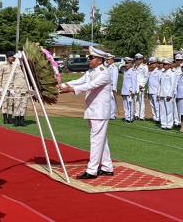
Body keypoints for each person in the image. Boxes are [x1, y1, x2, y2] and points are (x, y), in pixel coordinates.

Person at [59, 46, 114, 179]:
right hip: (93, 110)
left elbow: (90, 86)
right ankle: (107, 167)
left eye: (91, 58)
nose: (88, 60)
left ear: (100, 60)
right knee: (101, 139)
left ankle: (92, 170)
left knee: (96, 140)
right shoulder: (91, 71)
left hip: (100, 111)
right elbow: (80, 81)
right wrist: (63, 84)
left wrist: (71, 89)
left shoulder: (103, 73)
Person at [0, 51, 27, 126]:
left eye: (12, 57)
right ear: (7, 58)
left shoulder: (15, 65)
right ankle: (5, 118)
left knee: (11, 103)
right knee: (4, 103)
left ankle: (10, 118)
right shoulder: (3, 66)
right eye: (10, 57)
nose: (12, 58)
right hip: (5, 86)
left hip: (13, 87)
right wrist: (0, 87)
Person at [157, 59, 177, 130]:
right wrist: (158, 93)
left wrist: (170, 94)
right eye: (164, 64)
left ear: (169, 65)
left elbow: (173, 85)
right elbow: (159, 84)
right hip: (162, 93)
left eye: (166, 64)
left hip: (168, 94)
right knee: (162, 110)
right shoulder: (162, 73)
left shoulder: (172, 73)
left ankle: (169, 124)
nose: (164, 65)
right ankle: (163, 123)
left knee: (169, 110)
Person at [121, 57, 137, 123]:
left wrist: (133, 91)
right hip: (124, 90)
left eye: (127, 63)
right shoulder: (125, 71)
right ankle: (126, 116)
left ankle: (130, 118)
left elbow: (134, 82)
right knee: (125, 105)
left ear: (131, 64)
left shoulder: (133, 71)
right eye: (126, 63)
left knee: (129, 104)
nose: (126, 64)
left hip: (129, 91)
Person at [133, 53, 149, 120]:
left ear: (142, 60)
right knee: (136, 100)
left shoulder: (144, 67)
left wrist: (142, 85)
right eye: (136, 59)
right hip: (135, 86)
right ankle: (136, 114)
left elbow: (146, 77)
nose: (137, 60)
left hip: (140, 86)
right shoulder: (134, 66)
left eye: (139, 59)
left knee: (141, 101)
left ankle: (141, 116)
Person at [147, 57, 162, 122]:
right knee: (152, 105)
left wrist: (159, 93)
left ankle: (158, 117)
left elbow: (160, 83)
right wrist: (148, 91)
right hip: (150, 91)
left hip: (156, 91)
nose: (151, 65)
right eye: (150, 64)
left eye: (152, 63)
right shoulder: (150, 72)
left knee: (157, 106)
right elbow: (149, 83)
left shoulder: (158, 72)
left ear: (156, 64)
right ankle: (154, 117)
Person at [106, 54, 119, 120]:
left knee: (112, 101)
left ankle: (112, 115)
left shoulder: (114, 68)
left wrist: (114, 88)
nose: (107, 60)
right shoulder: (108, 67)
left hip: (111, 86)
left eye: (108, 59)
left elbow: (115, 78)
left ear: (112, 60)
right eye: (107, 59)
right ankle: (108, 114)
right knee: (107, 101)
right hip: (107, 86)